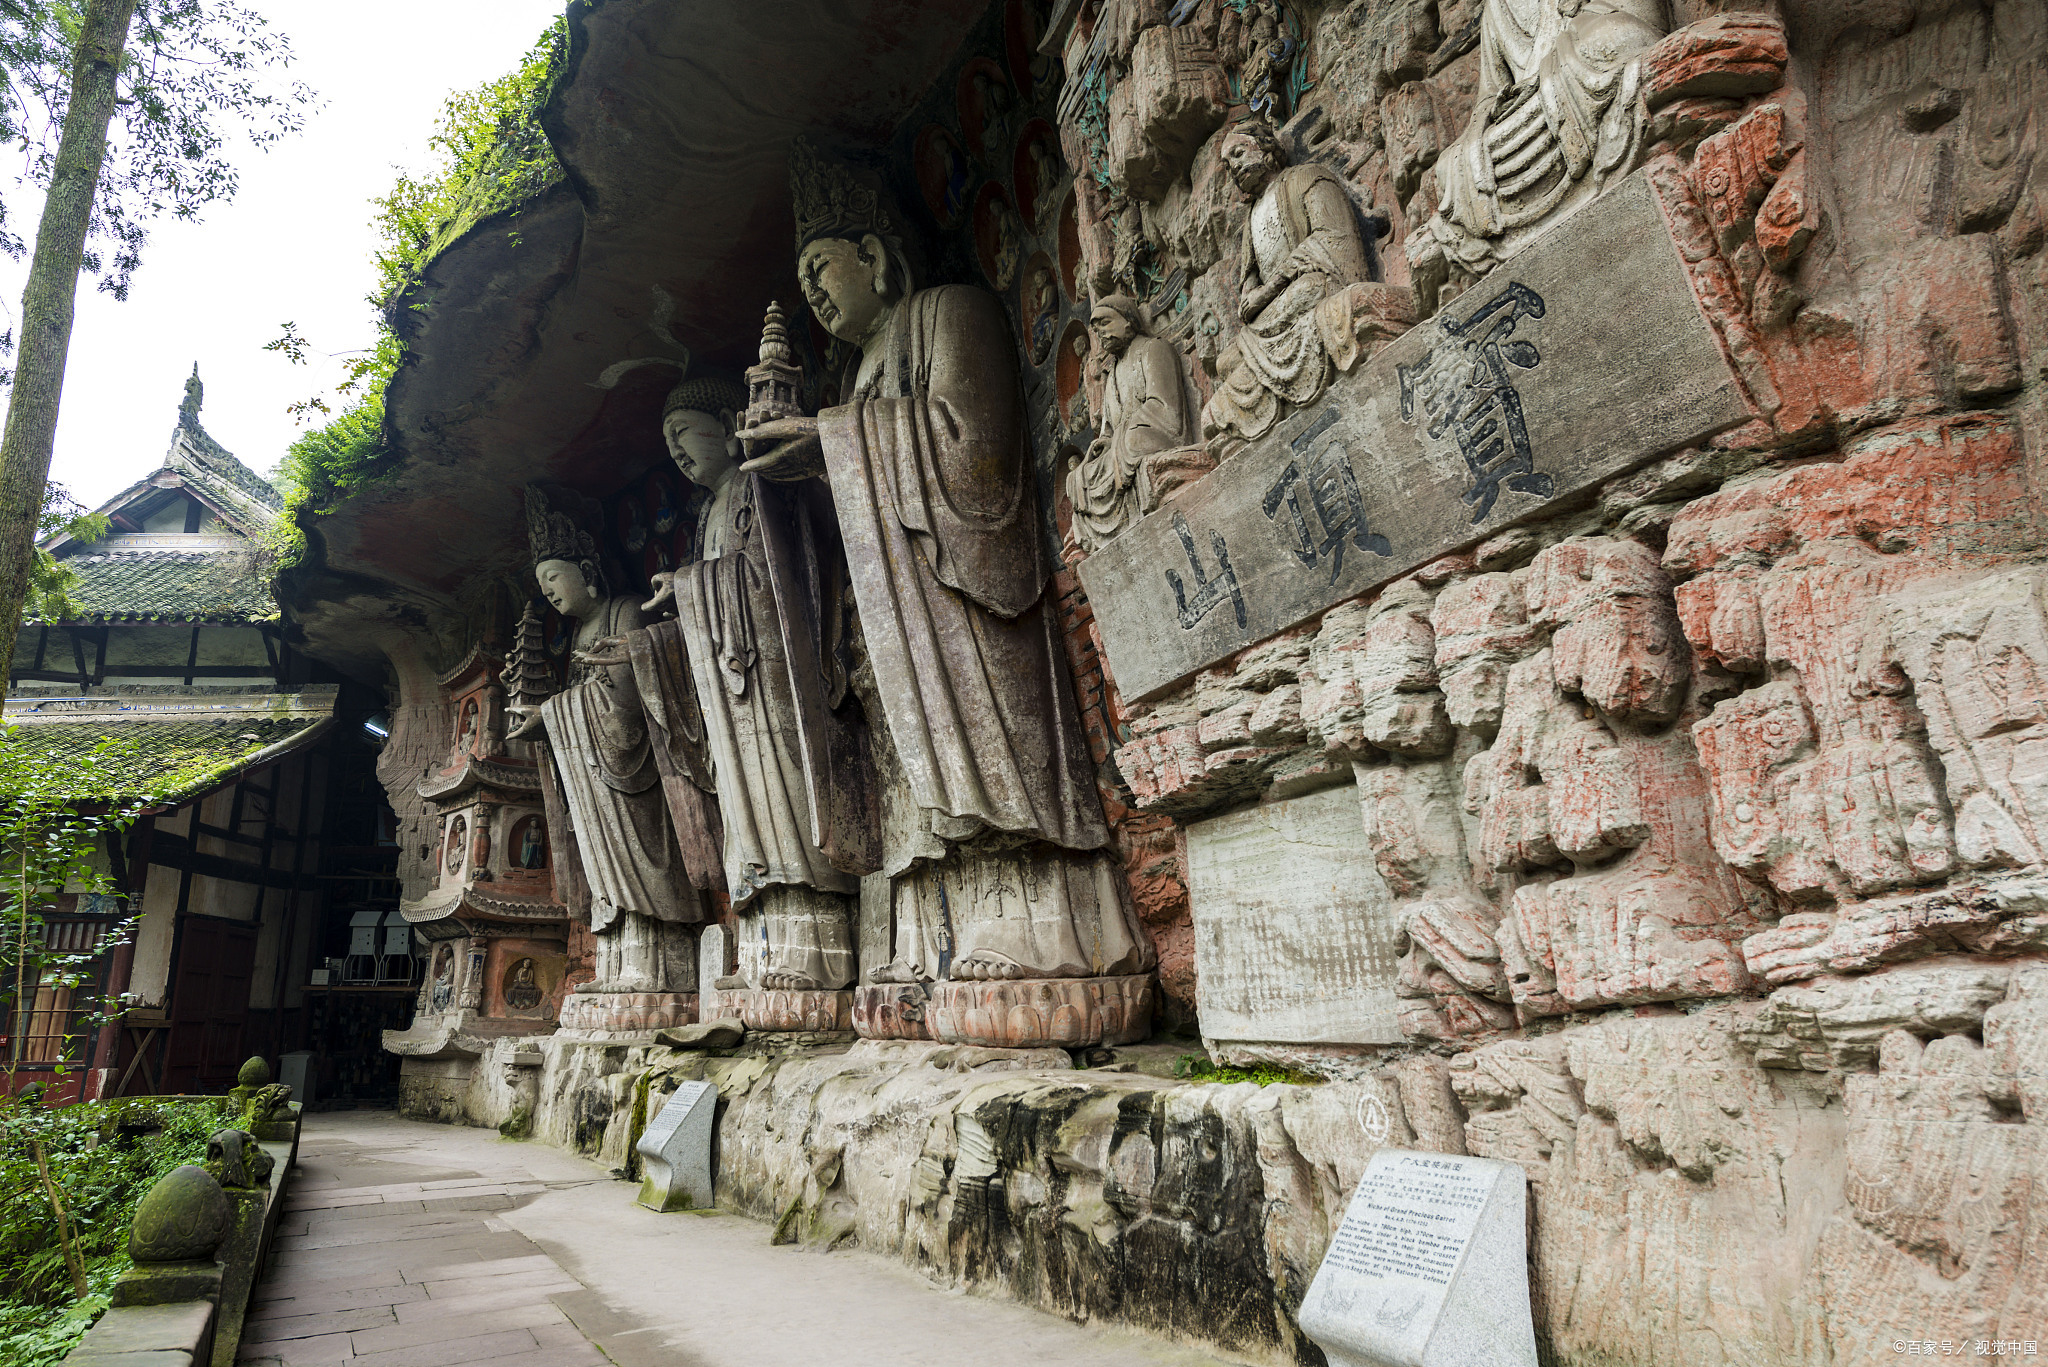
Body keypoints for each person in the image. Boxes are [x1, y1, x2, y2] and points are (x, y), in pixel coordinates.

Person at [741, 138, 1149, 989]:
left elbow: (979, 457)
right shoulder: (854, 376)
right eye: (805, 278)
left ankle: (1035, 929)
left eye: (823, 266)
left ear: (875, 256)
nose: (815, 291)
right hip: (889, 609)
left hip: (962, 592)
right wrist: (814, 467)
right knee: (902, 787)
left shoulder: (950, 313)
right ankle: (919, 939)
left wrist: (834, 440)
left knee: (987, 759)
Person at [644, 376, 864, 994]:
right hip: (731, 687)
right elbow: (725, 579)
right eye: (667, 443)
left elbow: (785, 575)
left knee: (783, 796)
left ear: (724, 423)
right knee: (747, 815)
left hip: (771, 676)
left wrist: (694, 586)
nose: (677, 451)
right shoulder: (711, 509)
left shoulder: (752, 486)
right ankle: (763, 946)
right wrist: (687, 588)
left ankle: (813, 944)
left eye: (683, 432)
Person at [508, 485, 698, 995]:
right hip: (592, 776)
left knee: (646, 866)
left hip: (631, 771)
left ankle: (662, 971)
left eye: (553, 577)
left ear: (587, 574)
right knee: (603, 875)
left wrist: (556, 710)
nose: (548, 591)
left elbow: (634, 704)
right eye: (541, 583)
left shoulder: (626, 611)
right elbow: (586, 701)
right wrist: (547, 719)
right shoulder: (574, 640)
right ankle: (615, 968)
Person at [1200, 119, 1376, 449]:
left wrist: (1272, 287)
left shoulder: (1306, 178)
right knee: (1226, 363)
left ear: (1266, 148)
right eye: (1228, 165)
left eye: (1239, 153)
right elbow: (1250, 281)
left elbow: (1332, 236)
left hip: (1311, 286)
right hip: (1276, 316)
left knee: (1308, 294)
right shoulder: (1251, 220)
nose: (1234, 167)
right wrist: (1252, 296)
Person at [1066, 294, 1197, 553]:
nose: (1100, 332)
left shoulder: (1153, 348)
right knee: (1076, 478)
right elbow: (1108, 430)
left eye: (1105, 323)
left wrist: (1120, 436)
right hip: (1121, 447)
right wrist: (1102, 445)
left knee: (1133, 440)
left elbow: (1164, 405)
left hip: (1153, 432)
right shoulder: (1111, 374)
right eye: (1095, 328)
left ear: (1128, 321)